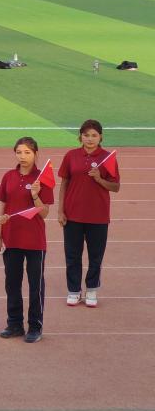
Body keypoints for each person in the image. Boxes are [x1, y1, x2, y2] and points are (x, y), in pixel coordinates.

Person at [0, 137, 53, 343]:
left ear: (36, 154)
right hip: (11, 237)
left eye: (27, 152)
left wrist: (36, 195)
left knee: (35, 285)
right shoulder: (9, 176)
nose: (23, 156)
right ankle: (15, 324)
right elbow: (2, 206)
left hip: (34, 240)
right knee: (12, 283)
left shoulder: (42, 178)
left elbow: (44, 213)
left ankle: (35, 326)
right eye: (19, 152)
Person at [58, 120, 121, 308]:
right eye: (86, 135)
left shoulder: (108, 158)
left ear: (101, 137)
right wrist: (60, 210)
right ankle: (74, 290)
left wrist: (99, 179)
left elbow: (115, 187)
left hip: (98, 216)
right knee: (72, 256)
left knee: (95, 256)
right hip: (73, 215)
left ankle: (92, 289)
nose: (90, 139)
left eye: (94, 135)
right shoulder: (71, 156)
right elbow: (64, 184)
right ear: (80, 137)